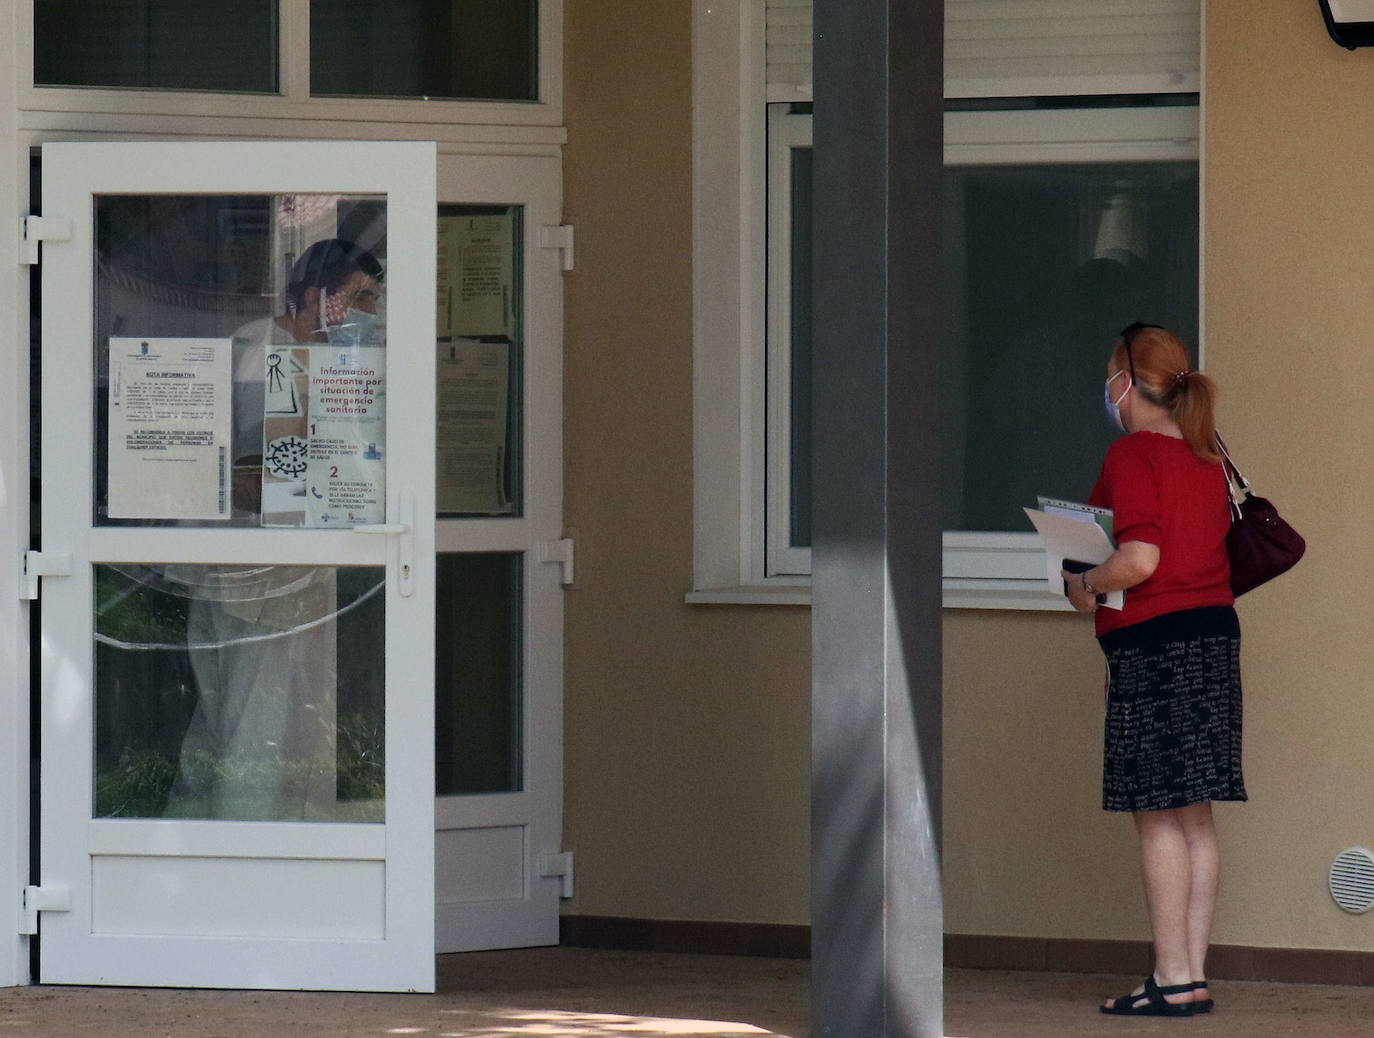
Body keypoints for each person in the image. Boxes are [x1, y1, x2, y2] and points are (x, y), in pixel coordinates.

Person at [166, 238, 386, 821]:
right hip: (258, 572)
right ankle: (257, 852)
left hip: (270, 568)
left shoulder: (294, 351)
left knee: (240, 722)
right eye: (359, 297)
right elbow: (245, 474)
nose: (370, 311)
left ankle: (222, 843)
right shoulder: (266, 354)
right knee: (262, 727)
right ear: (315, 297)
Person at [1062, 322, 1242, 1018]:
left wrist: (1083, 583)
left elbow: (1139, 561)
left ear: (1128, 384)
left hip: (1156, 642)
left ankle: (1170, 977)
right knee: (1193, 813)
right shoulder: (1209, 454)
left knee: (1158, 815)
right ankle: (1190, 974)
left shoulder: (1134, 453)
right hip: (1213, 638)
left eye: (1111, 376)